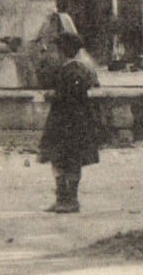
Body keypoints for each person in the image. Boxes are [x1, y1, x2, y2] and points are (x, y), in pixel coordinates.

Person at [37, 30, 100, 213]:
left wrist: (50, 96)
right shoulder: (77, 69)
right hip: (73, 121)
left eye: (58, 49)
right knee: (66, 160)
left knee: (65, 160)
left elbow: (69, 96)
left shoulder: (73, 71)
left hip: (67, 122)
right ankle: (64, 198)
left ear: (63, 50)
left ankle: (68, 199)